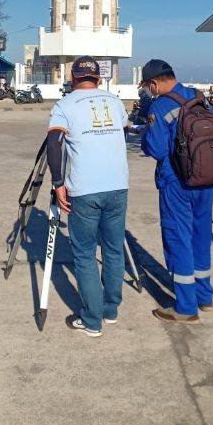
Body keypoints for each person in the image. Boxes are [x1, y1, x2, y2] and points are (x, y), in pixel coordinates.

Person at [47, 56, 129, 337]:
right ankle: (110, 309)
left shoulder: (65, 105)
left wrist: (58, 182)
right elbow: (124, 130)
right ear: (98, 78)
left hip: (85, 189)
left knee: (84, 254)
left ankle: (92, 320)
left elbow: (54, 144)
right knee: (113, 248)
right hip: (118, 186)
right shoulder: (115, 101)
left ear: (73, 78)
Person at [140, 59, 213, 324]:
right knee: (201, 236)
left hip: (177, 182)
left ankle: (185, 307)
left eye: (147, 87)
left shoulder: (160, 105)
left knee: (178, 238)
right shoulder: (197, 96)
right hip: (206, 177)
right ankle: (204, 296)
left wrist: (144, 136)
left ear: (153, 83)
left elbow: (157, 149)